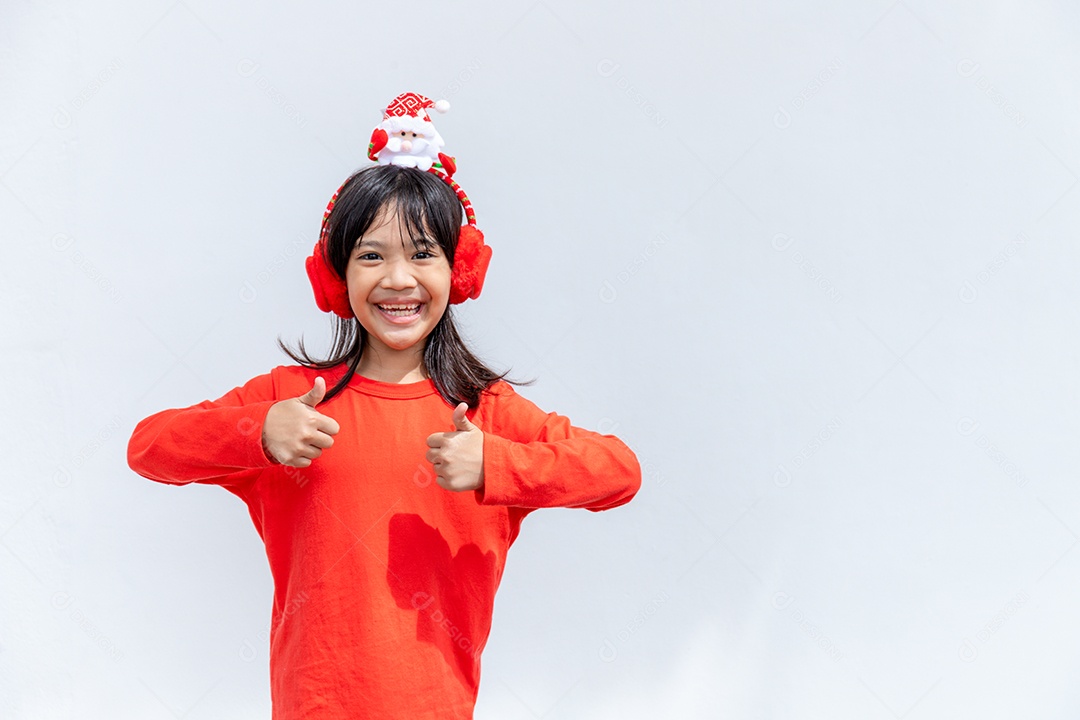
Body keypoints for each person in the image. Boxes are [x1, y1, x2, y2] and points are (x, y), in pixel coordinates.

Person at [126, 93, 642, 719]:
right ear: (336, 276)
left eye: (423, 254)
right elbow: (149, 447)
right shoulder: (289, 401)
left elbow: (618, 471)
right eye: (372, 256)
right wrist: (257, 431)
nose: (398, 279)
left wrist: (499, 465)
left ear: (462, 271)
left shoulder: (486, 415)